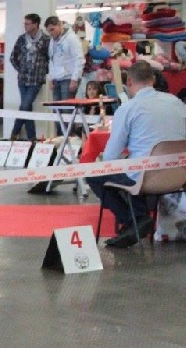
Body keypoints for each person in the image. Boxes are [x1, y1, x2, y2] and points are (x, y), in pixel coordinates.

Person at [85, 61, 186, 248]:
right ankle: (138, 219)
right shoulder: (177, 103)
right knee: (133, 167)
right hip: (179, 176)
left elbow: (110, 157)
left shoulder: (128, 108)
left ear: (129, 82)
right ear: (153, 80)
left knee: (94, 174)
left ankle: (134, 220)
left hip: (144, 178)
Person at [9, 13, 50, 141]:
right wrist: (20, 69)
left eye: (27, 23)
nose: (25, 26)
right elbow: (13, 57)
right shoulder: (21, 39)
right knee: (27, 107)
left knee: (25, 105)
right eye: (24, 23)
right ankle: (31, 137)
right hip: (23, 79)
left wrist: (42, 71)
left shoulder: (46, 40)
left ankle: (15, 132)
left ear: (35, 24)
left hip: (36, 79)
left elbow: (50, 59)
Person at [45, 16, 85, 134]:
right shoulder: (52, 41)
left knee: (67, 111)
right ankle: (60, 137)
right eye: (49, 31)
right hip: (56, 78)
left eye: (52, 29)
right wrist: (51, 78)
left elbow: (79, 59)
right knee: (57, 111)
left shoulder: (72, 38)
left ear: (60, 25)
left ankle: (69, 137)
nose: (51, 33)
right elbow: (51, 60)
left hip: (68, 78)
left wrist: (75, 78)